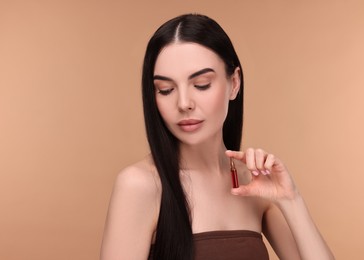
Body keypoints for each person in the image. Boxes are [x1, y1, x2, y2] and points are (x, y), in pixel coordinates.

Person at [100, 13, 335, 260]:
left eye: (201, 84)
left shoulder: (254, 184)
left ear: (234, 83)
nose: (183, 103)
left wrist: (291, 199)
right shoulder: (140, 185)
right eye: (165, 90)